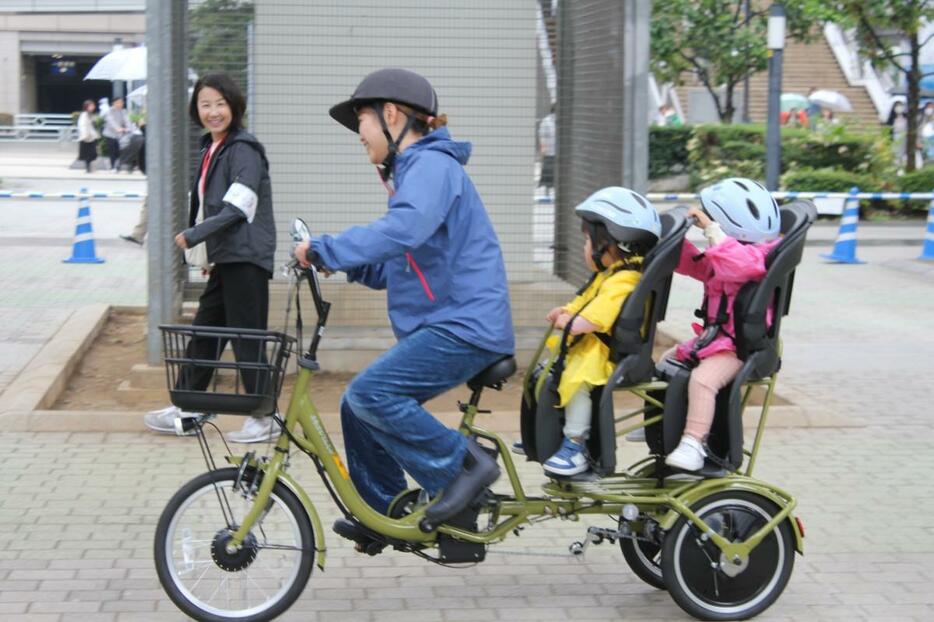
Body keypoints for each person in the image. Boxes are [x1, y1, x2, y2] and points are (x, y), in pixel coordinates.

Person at [293, 68, 514, 532]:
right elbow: (402, 262)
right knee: (358, 405)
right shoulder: (415, 173)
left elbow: (404, 231)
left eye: (362, 123)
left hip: (464, 326)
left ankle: (465, 467)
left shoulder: (432, 166)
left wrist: (329, 247)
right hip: (449, 323)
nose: (359, 136)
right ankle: (384, 511)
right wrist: (342, 263)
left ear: (391, 114)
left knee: (371, 393)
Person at [144, 73, 277, 444]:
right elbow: (207, 204)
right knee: (206, 330)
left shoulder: (244, 149)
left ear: (234, 107)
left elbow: (238, 206)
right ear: (196, 109)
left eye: (220, 103)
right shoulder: (213, 148)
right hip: (229, 257)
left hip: (246, 258)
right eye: (206, 104)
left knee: (246, 337)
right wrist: (208, 252)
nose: (213, 111)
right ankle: (189, 407)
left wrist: (194, 237)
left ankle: (265, 417)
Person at [539, 187, 661, 476]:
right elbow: (582, 302)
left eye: (587, 241)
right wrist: (565, 311)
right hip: (594, 348)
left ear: (608, 245)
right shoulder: (609, 275)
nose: (585, 248)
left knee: (577, 381)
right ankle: (546, 432)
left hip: (606, 355)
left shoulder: (624, 280)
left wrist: (568, 321)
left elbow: (593, 320)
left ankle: (575, 444)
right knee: (548, 371)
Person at [663, 178, 782, 471]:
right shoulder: (732, 254)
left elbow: (737, 264)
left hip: (738, 347)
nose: (710, 227)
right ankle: (667, 423)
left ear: (731, 224)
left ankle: (693, 443)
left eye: (716, 220)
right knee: (666, 362)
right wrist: (674, 240)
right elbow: (700, 265)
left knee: (704, 380)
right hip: (715, 340)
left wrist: (710, 230)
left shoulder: (756, 257)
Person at [102, 97, 130, 171]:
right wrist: (118, 128)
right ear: (114, 103)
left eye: (122, 102)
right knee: (112, 150)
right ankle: (112, 166)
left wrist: (129, 128)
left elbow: (127, 120)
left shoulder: (123, 111)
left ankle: (117, 165)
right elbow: (111, 121)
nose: (121, 103)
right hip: (110, 134)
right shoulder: (109, 111)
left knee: (118, 151)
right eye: (120, 102)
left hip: (119, 135)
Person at [76, 100, 99, 173]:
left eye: (93, 105)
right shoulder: (84, 115)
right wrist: (84, 134)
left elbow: (94, 125)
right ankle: (88, 168)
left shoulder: (92, 114)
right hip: (86, 136)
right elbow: (82, 125)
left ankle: (89, 167)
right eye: (91, 105)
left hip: (92, 136)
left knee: (93, 153)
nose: (93, 107)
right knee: (87, 154)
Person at [538, 104, 555, 197]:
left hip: (558, 152)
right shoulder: (546, 121)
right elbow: (542, 136)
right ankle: (547, 194)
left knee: (556, 174)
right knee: (548, 173)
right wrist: (543, 148)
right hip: (549, 152)